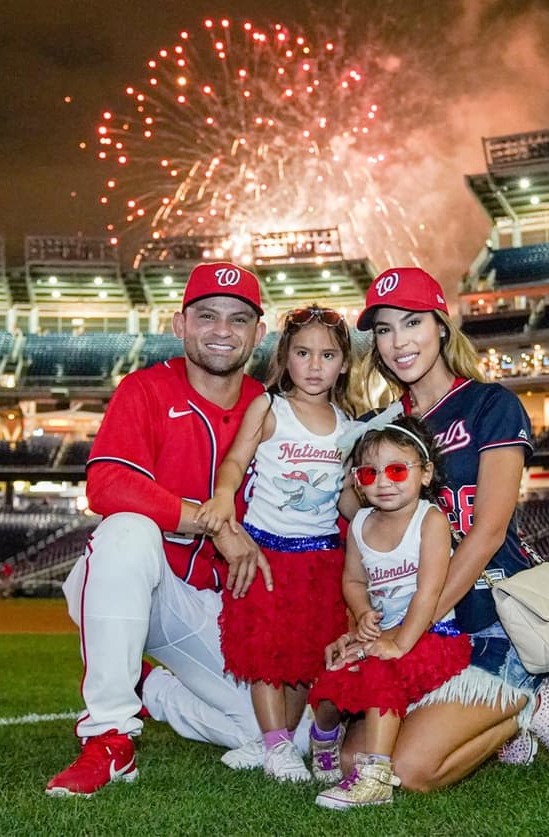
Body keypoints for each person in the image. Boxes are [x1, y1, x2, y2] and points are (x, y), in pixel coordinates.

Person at [331, 267, 549, 793]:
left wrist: (412, 626)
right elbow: (353, 513)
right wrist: (354, 455)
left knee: (405, 772)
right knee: (353, 759)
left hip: (491, 613)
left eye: (412, 323)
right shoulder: (384, 427)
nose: (398, 341)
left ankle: (534, 698)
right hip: (422, 617)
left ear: (441, 327)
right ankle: (503, 724)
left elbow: (488, 532)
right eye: (383, 330)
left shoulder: (489, 404)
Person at [45, 262, 273, 798]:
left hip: (215, 611)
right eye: (207, 316)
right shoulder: (145, 389)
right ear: (180, 324)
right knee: (127, 529)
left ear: (258, 335)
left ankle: (155, 688)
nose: (222, 330)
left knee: (279, 733)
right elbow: (107, 485)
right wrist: (210, 523)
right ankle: (108, 740)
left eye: (239, 319)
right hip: (138, 587)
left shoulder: (272, 407)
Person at [195, 305, 355, 784]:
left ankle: (275, 738)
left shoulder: (349, 425)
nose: (314, 365)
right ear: (285, 357)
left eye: (327, 355)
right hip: (265, 553)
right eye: (302, 353)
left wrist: (365, 493)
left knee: (305, 661)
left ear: (344, 364)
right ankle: (277, 746)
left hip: (321, 557)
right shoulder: (270, 407)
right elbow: (235, 462)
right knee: (266, 655)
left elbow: (344, 503)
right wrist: (224, 497)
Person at [308, 415, 473, 809]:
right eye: (369, 473)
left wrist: (398, 643)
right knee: (336, 668)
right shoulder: (360, 522)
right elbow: (353, 582)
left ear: (426, 473)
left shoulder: (429, 520)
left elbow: (429, 593)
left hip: (429, 634)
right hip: (383, 633)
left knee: (382, 670)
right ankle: (323, 737)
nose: (383, 482)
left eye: (397, 470)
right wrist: (363, 615)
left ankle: (376, 776)